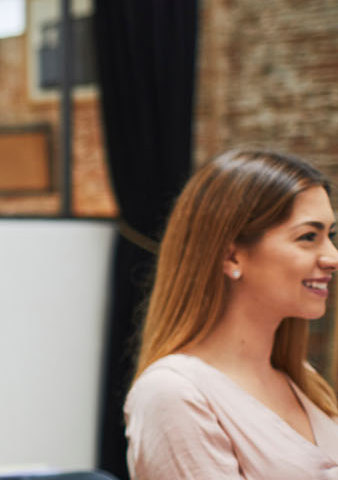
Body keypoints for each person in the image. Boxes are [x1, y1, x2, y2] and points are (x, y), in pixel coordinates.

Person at [125, 149, 338, 479]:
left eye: (331, 235)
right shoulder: (174, 394)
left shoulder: (302, 380)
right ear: (231, 257)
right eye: (308, 237)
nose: (332, 257)